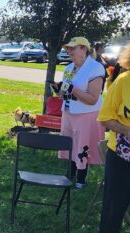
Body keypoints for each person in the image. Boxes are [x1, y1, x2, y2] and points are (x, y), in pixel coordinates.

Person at [96, 44, 130, 233]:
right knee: (114, 207)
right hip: (121, 155)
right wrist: (127, 130)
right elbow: (105, 118)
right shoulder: (123, 82)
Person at [55, 37, 105, 189]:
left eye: (73, 48)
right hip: (69, 112)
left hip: (86, 114)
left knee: (83, 145)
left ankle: (81, 179)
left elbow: (92, 99)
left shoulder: (95, 68)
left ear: (83, 49)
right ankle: (70, 173)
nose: (69, 51)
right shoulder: (69, 68)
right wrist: (60, 92)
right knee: (70, 143)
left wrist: (72, 90)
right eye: (68, 49)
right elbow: (65, 91)